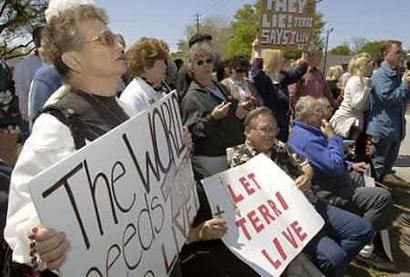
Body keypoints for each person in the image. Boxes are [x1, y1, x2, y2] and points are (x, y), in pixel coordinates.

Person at [4, 4, 132, 274]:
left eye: (117, 37)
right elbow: (22, 220)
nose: (119, 45)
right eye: (105, 40)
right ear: (74, 60)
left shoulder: (127, 109)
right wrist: (39, 237)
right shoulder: (56, 126)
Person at [228, 107, 372, 277]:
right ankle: (328, 264)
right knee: (335, 257)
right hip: (285, 221)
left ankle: (321, 266)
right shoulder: (238, 157)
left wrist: (306, 175)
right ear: (248, 132)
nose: (270, 134)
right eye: (264, 129)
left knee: (362, 229)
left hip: (309, 203)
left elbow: (305, 164)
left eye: (273, 129)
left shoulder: (279, 146)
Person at [288, 96, 397, 272]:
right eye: (319, 111)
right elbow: (335, 166)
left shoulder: (310, 132)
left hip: (337, 186)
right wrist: (333, 138)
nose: (324, 114)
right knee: (380, 197)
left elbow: (327, 161)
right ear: (308, 116)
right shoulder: (307, 139)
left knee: (375, 189)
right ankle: (360, 249)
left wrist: (350, 164)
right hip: (329, 194)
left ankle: (362, 242)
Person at [180, 42, 249, 179]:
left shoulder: (220, 87)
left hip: (233, 150)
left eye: (208, 60)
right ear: (192, 68)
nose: (205, 65)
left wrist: (242, 108)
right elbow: (194, 133)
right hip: (213, 158)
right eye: (199, 62)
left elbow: (233, 114)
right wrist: (213, 117)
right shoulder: (191, 97)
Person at [367, 40, 410, 187]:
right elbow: (386, 98)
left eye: (401, 52)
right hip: (383, 129)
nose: (400, 55)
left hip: (396, 128)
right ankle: (371, 197)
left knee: (387, 168)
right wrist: (404, 86)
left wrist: (407, 85)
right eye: (397, 52)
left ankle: (384, 196)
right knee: (376, 168)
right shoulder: (380, 75)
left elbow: (403, 98)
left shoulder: (398, 74)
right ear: (386, 54)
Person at [251, 38, 308, 142]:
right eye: (282, 57)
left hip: (282, 128)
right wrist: (257, 52)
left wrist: (304, 51)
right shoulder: (264, 80)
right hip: (267, 128)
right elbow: (256, 73)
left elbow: (298, 72)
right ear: (274, 59)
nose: (284, 60)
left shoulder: (282, 78)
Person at [330, 53, 373, 160]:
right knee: (342, 151)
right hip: (347, 122)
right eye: (367, 63)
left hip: (352, 121)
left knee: (346, 151)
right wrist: (367, 89)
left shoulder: (361, 80)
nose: (371, 64)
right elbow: (357, 105)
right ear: (360, 66)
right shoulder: (356, 81)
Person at [119, 37, 169, 114]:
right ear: (146, 67)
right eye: (161, 63)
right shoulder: (132, 99)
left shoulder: (159, 89)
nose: (165, 67)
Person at [12, 28, 43, 139]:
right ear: (35, 41)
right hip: (36, 121)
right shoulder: (24, 66)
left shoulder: (64, 61)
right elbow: (22, 93)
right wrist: (28, 117)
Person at [175, 33, 213, 101]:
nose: (209, 48)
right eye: (206, 45)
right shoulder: (184, 72)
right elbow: (182, 97)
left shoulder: (211, 62)